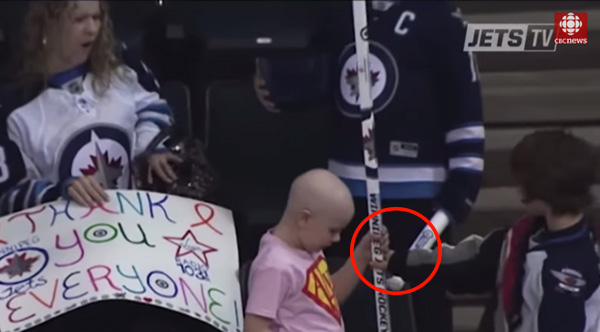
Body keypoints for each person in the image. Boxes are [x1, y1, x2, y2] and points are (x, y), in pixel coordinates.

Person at [254, 1, 484, 331]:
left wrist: (461, 189)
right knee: (346, 303)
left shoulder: (441, 17)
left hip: (420, 201)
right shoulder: (339, 12)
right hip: (343, 200)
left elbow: (464, 103)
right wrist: (280, 84)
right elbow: (323, 73)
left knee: (421, 302)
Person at [373, 129, 600, 332]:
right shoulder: (519, 238)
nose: (518, 187)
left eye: (522, 180)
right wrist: (397, 260)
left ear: (541, 186)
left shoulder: (577, 264)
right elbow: (467, 266)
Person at [0, 0, 181, 217]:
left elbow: (153, 107)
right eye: (79, 20)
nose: (92, 29)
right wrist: (58, 193)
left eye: (96, 18)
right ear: (47, 25)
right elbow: (9, 191)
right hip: (65, 241)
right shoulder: (14, 109)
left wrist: (150, 146)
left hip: (136, 225)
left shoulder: (123, 69)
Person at [244, 168, 390, 332]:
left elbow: (328, 299)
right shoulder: (274, 266)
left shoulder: (309, 248)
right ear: (304, 219)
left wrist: (360, 257)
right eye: (332, 231)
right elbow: (254, 327)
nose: (337, 239)